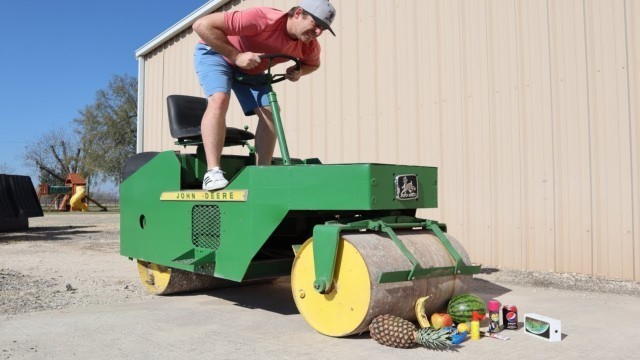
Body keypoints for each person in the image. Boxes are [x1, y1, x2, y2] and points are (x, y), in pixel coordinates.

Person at [192, 0, 337, 191]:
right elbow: (201, 25)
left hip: (250, 69)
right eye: (316, 24)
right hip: (217, 54)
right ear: (298, 13)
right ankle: (212, 172)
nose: (318, 32)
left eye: (323, 29)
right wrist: (236, 56)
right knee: (219, 99)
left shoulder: (309, 46)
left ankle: (261, 172)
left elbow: (313, 64)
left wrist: (299, 71)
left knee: (271, 112)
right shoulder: (263, 18)